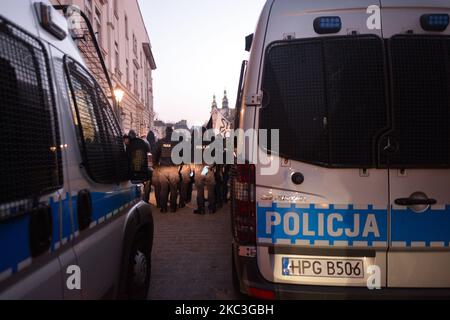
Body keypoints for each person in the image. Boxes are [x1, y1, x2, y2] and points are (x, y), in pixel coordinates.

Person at [153, 127, 180, 213]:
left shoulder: (160, 142)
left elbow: (155, 153)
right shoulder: (177, 142)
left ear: (165, 132)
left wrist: (155, 165)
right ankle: (173, 207)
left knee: (163, 189)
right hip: (173, 168)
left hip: (163, 168)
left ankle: (164, 208)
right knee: (173, 188)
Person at [193, 127, 216, 215]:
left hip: (199, 169)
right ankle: (211, 208)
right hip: (209, 168)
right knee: (211, 189)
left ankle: (201, 209)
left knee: (200, 190)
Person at [145, 130, 160, 207]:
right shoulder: (156, 145)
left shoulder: (146, 145)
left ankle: (146, 201)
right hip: (155, 169)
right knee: (157, 186)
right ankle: (158, 203)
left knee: (147, 186)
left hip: (147, 169)